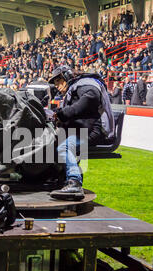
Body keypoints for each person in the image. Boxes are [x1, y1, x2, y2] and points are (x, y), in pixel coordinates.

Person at [48, 66, 114, 200]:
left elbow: (89, 100)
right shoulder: (78, 87)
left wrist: (62, 114)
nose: (58, 87)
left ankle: (74, 182)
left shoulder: (86, 84)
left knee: (64, 147)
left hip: (94, 130)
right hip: (84, 129)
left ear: (67, 77)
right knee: (50, 143)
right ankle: (60, 179)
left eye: (59, 82)